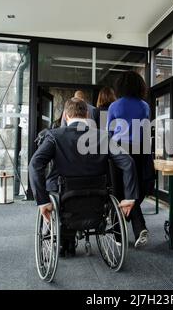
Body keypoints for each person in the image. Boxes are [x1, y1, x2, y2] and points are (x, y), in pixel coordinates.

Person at [29, 98, 139, 257]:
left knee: (53, 182)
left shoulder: (54, 136)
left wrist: (42, 200)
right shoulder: (103, 137)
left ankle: (64, 241)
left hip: (64, 197)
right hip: (97, 198)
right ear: (87, 114)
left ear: (66, 116)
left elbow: (35, 165)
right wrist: (130, 197)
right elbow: (128, 163)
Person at [107, 71, 155, 249]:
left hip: (120, 148)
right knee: (135, 189)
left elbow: (109, 132)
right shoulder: (144, 106)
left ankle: (119, 235)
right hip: (141, 149)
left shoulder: (115, 106)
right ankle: (138, 227)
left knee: (119, 190)